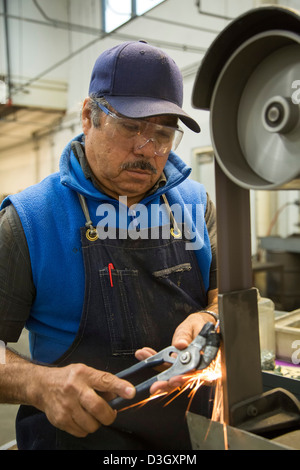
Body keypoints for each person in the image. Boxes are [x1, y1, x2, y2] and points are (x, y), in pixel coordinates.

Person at [0, 41, 218, 450]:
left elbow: (223, 298)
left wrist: (211, 317)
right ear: (88, 116)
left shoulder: (195, 204)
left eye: (162, 133)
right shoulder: (29, 220)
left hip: (191, 439)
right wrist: (37, 383)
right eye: (131, 127)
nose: (146, 149)